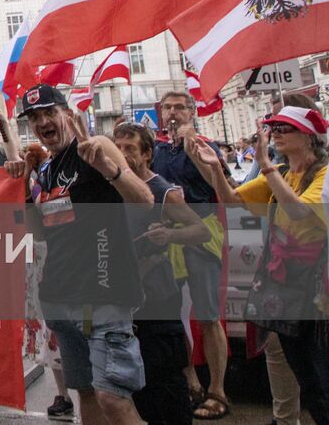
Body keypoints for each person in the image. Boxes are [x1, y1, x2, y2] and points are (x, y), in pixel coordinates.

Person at [18, 85, 152, 425]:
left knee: (114, 399)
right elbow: (39, 234)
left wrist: (110, 169)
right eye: (35, 118)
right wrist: (24, 186)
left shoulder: (95, 146)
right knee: (87, 395)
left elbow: (144, 201)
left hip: (103, 295)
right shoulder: (47, 169)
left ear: (67, 113)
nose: (43, 122)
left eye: (50, 112)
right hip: (61, 297)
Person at [189, 99, 329, 423]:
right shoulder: (280, 174)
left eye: (284, 128)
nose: (274, 133)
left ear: (308, 136)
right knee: (307, 377)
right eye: (272, 128)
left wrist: (265, 164)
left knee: (321, 378)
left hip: (317, 293)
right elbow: (232, 201)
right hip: (286, 288)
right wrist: (214, 168)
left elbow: (298, 210)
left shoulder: (322, 175)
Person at [113, 122, 209, 425]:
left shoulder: (161, 190)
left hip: (159, 298)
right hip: (125, 301)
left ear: (147, 154)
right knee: (137, 386)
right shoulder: (113, 187)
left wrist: (170, 236)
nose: (124, 155)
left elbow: (201, 230)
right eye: (119, 148)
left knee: (166, 383)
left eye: (130, 148)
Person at [151, 91, 231, 421]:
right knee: (174, 315)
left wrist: (193, 148)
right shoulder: (154, 150)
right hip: (167, 236)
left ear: (191, 112)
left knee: (208, 314)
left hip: (201, 232)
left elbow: (218, 183)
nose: (173, 113)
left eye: (179, 107)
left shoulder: (204, 146)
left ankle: (218, 389)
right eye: (167, 107)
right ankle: (190, 379)